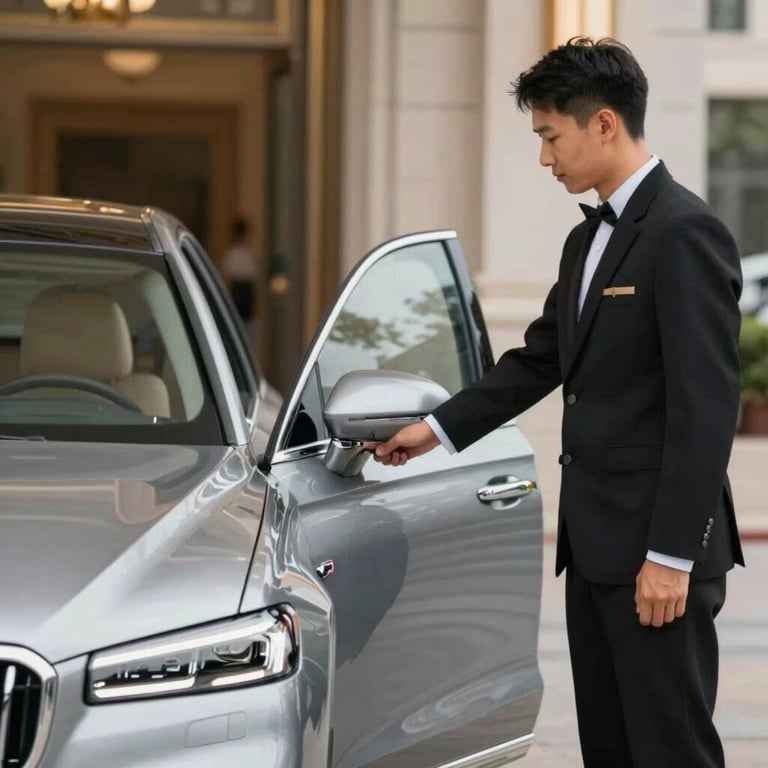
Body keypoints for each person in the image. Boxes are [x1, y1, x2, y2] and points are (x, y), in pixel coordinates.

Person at [368, 38, 743, 768]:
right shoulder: (586, 240)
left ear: (604, 124)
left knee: (669, 749)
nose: (546, 159)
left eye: (550, 136)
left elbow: (705, 409)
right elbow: (543, 357)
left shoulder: (685, 233)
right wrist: (437, 429)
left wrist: (669, 554)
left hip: (655, 553)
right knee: (610, 745)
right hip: (595, 544)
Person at [223, 216, 258, 333]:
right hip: (238, 290)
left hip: (246, 291)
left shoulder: (247, 253)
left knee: (247, 327)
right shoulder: (233, 253)